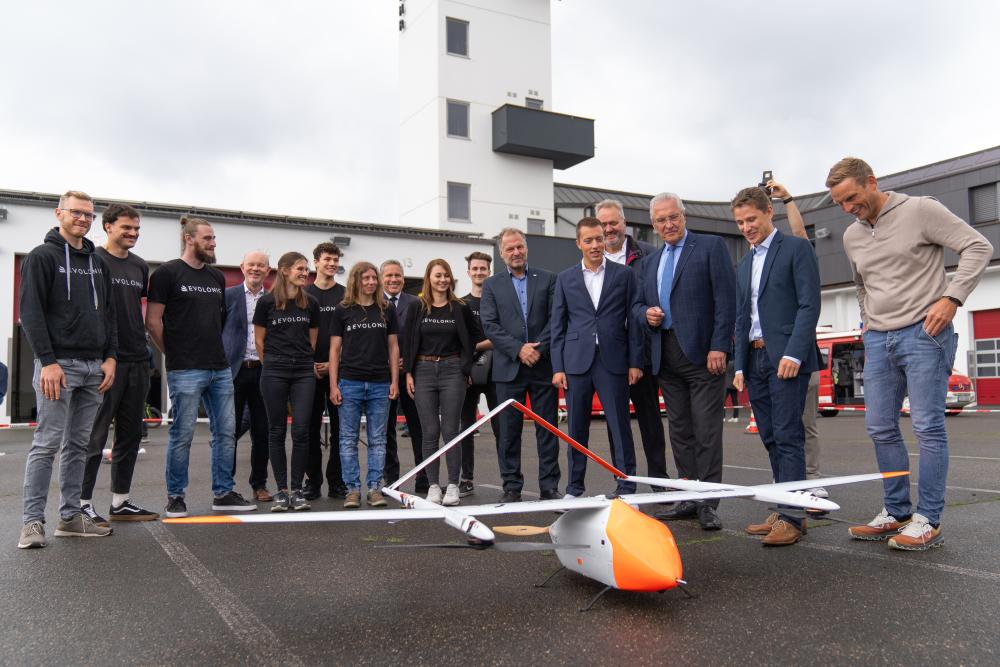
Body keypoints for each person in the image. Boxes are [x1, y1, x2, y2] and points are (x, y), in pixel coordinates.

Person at [827, 157, 992, 550]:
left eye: (851, 197)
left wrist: (952, 298)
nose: (848, 208)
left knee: (927, 427)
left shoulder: (920, 210)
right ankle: (896, 511)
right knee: (880, 427)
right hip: (878, 339)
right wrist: (867, 322)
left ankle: (928, 520)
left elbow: (978, 245)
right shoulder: (851, 236)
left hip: (924, 335)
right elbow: (861, 284)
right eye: (839, 203)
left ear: (871, 181)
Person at [17, 190, 117, 548]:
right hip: (58, 366)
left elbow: (109, 315)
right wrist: (47, 361)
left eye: (89, 215)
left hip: (94, 368)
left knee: (79, 445)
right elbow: (30, 312)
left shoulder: (98, 263)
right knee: (46, 444)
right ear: (59, 213)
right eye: (76, 212)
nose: (83, 219)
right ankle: (32, 523)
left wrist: (111, 358)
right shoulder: (42, 257)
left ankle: (71, 517)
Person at [634, 193, 736, 531]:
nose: (668, 224)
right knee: (679, 432)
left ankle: (708, 503)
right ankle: (689, 496)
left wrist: (719, 345)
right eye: (661, 220)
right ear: (653, 225)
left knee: (706, 431)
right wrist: (645, 313)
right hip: (665, 356)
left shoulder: (710, 247)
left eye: (673, 217)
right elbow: (636, 305)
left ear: (684, 216)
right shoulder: (650, 261)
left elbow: (726, 299)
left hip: (704, 356)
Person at [146, 217, 256, 518]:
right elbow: (153, 321)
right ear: (189, 238)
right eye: (207, 238)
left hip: (219, 368)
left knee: (226, 433)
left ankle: (223, 493)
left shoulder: (216, 277)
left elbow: (217, 322)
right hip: (185, 368)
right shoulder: (167, 273)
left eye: (214, 238)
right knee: (182, 435)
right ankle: (175, 497)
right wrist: (174, 354)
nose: (213, 243)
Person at [731, 186, 821, 546]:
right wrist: (739, 366)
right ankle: (785, 506)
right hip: (754, 359)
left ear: (769, 211)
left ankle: (792, 517)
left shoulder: (796, 249)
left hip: (786, 358)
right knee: (770, 437)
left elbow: (809, 305)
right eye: (740, 222)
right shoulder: (744, 263)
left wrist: (794, 354)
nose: (746, 227)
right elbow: (742, 317)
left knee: (787, 435)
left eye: (751, 219)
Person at [551, 217, 643, 497]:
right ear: (578, 243)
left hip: (613, 360)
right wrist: (558, 367)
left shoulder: (624, 275)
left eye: (599, 239)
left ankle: (626, 486)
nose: (595, 245)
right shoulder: (565, 278)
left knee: (620, 427)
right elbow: (558, 325)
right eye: (588, 240)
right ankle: (574, 488)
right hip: (576, 362)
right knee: (576, 429)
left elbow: (634, 320)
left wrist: (635, 362)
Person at [79, 202, 159, 524]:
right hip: (106, 361)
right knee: (94, 436)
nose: (133, 233)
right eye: (127, 227)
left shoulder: (139, 266)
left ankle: (120, 502)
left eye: (136, 229)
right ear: (107, 226)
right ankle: (81, 504)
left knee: (130, 434)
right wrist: (102, 357)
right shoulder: (94, 260)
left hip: (137, 359)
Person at [480, 228, 561, 502]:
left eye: (519, 247)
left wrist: (538, 348)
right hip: (508, 369)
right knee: (508, 433)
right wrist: (518, 350)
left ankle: (549, 487)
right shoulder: (492, 285)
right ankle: (512, 487)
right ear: (501, 253)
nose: (516, 252)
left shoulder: (548, 279)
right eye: (510, 249)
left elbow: (555, 318)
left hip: (542, 365)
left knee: (547, 430)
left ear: (526, 248)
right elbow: (490, 325)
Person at [596, 199, 669, 485]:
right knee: (616, 423)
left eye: (613, 222)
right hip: (609, 355)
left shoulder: (649, 255)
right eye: (603, 224)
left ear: (624, 223)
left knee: (650, 420)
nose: (608, 229)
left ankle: (659, 480)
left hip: (646, 352)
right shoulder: (593, 260)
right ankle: (623, 480)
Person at [404, 259, 479, 506]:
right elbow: (407, 341)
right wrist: (408, 373)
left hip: (452, 370)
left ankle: (453, 486)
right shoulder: (417, 307)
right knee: (429, 432)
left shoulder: (460, 307)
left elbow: (474, 338)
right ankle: (434, 486)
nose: (442, 280)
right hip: (423, 370)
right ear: (429, 278)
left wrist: (466, 366)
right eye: (438, 275)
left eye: (446, 275)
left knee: (450, 431)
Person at [768, 179, 825, 497]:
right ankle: (786, 482)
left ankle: (812, 479)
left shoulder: (800, 255)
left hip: (802, 357)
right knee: (780, 428)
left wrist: (788, 199)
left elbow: (800, 234)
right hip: (773, 359)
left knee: (805, 423)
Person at [329, 262, 400, 508]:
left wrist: (394, 381)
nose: (371, 282)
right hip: (350, 382)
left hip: (380, 383)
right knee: (347, 439)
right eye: (365, 278)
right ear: (355, 281)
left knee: (378, 439)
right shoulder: (343, 309)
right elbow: (334, 349)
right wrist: (333, 385)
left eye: (373, 278)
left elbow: (393, 347)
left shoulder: (386, 309)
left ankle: (374, 489)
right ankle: (352, 490)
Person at [253, 252, 319, 512]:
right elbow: (259, 341)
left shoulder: (310, 303)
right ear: (284, 270)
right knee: (276, 430)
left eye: (306, 269)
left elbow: (312, 340)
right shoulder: (266, 302)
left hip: (303, 372)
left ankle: (297, 490)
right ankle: (281, 491)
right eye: (300, 268)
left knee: (301, 430)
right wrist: (272, 363)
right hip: (274, 370)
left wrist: (301, 359)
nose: (305, 273)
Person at [222, 251, 273, 503]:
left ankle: (259, 485)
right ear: (242, 267)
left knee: (262, 432)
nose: (255, 269)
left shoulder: (273, 299)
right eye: (251, 264)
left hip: (264, 371)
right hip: (235, 371)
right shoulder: (228, 295)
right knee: (228, 432)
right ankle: (225, 486)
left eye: (260, 265)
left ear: (268, 270)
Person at [304, 242, 348, 500]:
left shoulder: (346, 295)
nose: (332, 264)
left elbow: (351, 335)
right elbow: (297, 333)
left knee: (341, 430)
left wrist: (335, 364)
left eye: (335, 260)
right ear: (316, 263)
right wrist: (308, 362)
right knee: (309, 429)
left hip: (339, 373)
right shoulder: (303, 294)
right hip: (308, 373)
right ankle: (313, 482)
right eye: (327, 259)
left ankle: (337, 481)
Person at [381, 259, 428, 493]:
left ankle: (424, 477)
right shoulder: (374, 303)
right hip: (383, 375)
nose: (394, 279)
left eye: (397, 275)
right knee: (386, 430)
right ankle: (391, 479)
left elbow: (423, 336)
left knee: (418, 427)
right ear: (381, 278)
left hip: (412, 374)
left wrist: (408, 361)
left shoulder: (416, 303)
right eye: (389, 275)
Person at [457, 251, 500, 497]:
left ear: (489, 271)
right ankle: (466, 479)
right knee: (466, 428)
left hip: (497, 373)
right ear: (468, 272)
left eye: (483, 268)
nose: (479, 272)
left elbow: (503, 336)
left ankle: (509, 478)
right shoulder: (461, 304)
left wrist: (476, 345)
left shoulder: (498, 302)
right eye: (475, 268)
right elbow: (459, 341)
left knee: (501, 427)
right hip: (469, 374)